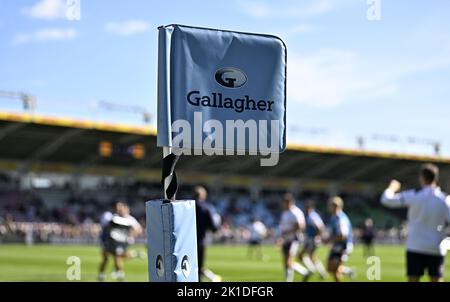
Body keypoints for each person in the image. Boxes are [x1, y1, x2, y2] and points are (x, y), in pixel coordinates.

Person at [381, 163, 450, 282]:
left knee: (413, 279)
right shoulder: (445, 199)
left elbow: (386, 200)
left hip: (415, 246)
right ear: (436, 178)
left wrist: (392, 188)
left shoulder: (414, 195)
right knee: (436, 279)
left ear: (422, 178)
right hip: (436, 247)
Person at [98, 202, 142, 281]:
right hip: (109, 241)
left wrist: (130, 236)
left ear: (126, 209)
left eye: (121, 208)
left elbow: (138, 229)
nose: (119, 210)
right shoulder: (114, 217)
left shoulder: (130, 219)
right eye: (118, 208)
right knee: (105, 258)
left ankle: (119, 274)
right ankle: (101, 274)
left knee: (118, 257)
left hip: (121, 242)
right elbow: (105, 227)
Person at [277, 193, 309, 282]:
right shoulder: (285, 212)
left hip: (294, 239)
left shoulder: (295, 212)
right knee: (286, 263)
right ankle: (305, 272)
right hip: (287, 239)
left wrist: (288, 231)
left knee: (288, 261)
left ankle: (290, 279)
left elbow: (301, 225)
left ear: (289, 202)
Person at [194, 185, 222, 282]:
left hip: (186, 242)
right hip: (200, 240)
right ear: (203, 196)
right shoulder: (206, 208)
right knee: (198, 267)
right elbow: (214, 226)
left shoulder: (187, 207)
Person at [327, 196, 355, 282]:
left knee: (336, 270)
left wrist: (330, 240)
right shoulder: (334, 217)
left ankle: (348, 271)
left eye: (330, 205)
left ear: (335, 206)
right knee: (330, 268)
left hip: (343, 246)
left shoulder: (341, 218)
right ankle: (349, 271)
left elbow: (343, 235)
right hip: (337, 246)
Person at [299, 200, 327, 280]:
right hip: (311, 239)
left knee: (302, 255)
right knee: (312, 257)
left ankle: (311, 270)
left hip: (312, 239)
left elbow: (320, 227)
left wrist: (317, 236)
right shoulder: (312, 215)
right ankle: (322, 272)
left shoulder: (312, 216)